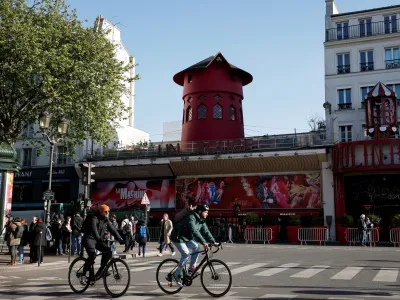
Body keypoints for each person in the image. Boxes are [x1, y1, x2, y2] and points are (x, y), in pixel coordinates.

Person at [170, 204, 219, 286]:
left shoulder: (201, 220)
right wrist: (203, 242)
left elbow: (206, 231)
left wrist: (213, 242)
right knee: (186, 254)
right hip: (178, 237)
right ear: (200, 212)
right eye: (206, 212)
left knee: (196, 247)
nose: (207, 214)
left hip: (187, 237)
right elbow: (194, 231)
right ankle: (177, 274)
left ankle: (192, 267)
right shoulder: (191, 217)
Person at [81, 204, 123, 281]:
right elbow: (94, 229)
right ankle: (83, 273)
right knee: (92, 255)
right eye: (106, 212)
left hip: (98, 240)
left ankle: (101, 271)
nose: (107, 214)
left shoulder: (106, 220)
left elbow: (113, 230)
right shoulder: (94, 217)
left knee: (108, 252)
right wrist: (98, 238)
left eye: (108, 212)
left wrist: (120, 239)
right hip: (89, 239)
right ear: (101, 212)